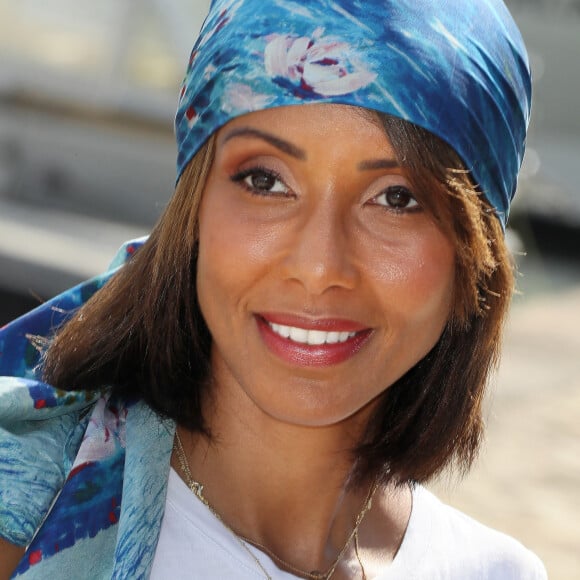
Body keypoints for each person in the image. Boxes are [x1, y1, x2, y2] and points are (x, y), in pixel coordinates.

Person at [0, 0, 546, 578]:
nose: (318, 267)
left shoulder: (494, 571)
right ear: (196, 210)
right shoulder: (23, 517)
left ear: (474, 252)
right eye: (266, 181)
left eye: (397, 198)